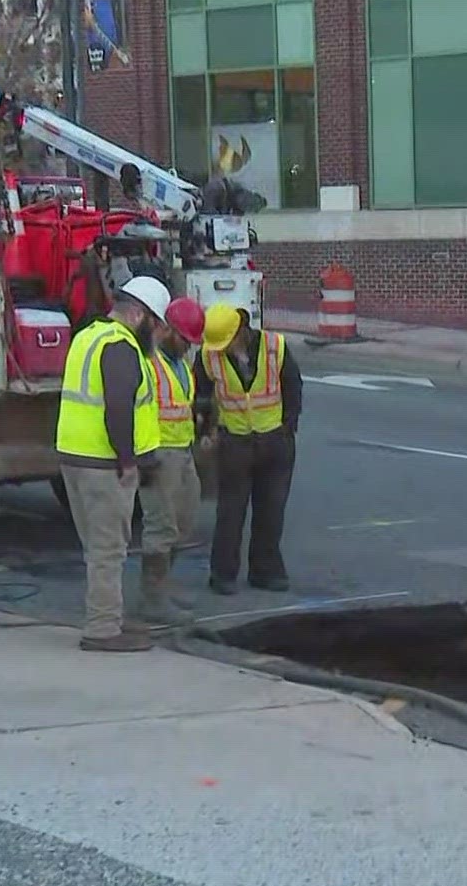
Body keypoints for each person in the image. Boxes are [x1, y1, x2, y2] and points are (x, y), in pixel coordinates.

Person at [55, 275, 168, 651]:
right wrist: (127, 460)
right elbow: (118, 407)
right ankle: (102, 630)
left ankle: (109, 617)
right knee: (108, 549)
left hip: (75, 456)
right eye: (155, 322)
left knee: (99, 547)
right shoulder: (120, 347)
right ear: (138, 315)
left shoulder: (88, 335)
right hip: (103, 463)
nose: (157, 331)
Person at [196, 302, 302, 595]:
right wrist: (205, 430)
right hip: (235, 441)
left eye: (227, 342)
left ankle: (265, 570)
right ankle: (223, 574)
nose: (223, 349)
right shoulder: (208, 355)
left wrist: (287, 428)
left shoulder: (274, 346)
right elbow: (201, 395)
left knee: (271, 510)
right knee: (230, 512)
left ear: (241, 332)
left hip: (274, 441)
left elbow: (292, 386)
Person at [132, 296, 207, 625]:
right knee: (161, 525)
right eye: (185, 340)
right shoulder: (149, 363)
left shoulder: (181, 364)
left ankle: (162, 587)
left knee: (184, 522)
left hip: (182, 450)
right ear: (167, 331)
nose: (188, 348)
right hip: (159, 452)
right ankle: (153, 599)